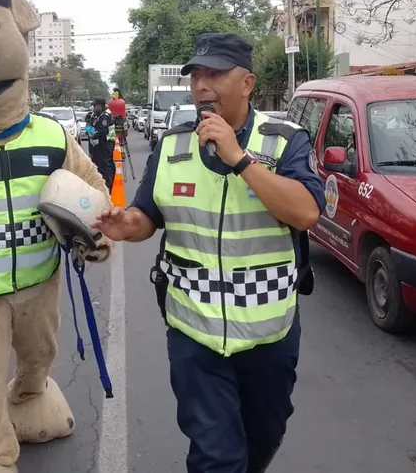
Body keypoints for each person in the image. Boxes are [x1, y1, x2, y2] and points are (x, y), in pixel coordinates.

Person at [93, 32, 326, 473]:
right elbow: (147, 215)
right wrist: (125, 225)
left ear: (248, 83)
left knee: (264, 434)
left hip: (268, 334)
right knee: (216, 455)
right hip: (193, 331)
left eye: (215, 74)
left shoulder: (284, 142)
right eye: (196, 75)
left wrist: (239, 158)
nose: (201, 85)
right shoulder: (172, 146)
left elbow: (306, 213)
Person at [86, 97, 117, 191]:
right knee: (97, 165)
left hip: (105, 144)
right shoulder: (94, 115)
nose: (93, 108)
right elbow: (89, 129)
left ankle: (108, 185)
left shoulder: (105, 117)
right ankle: (100, 185)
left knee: (105, 165)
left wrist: (92, 134)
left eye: (95, 106)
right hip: (96, 146)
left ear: (100, 106)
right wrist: (88, 125)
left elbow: (101, 132)